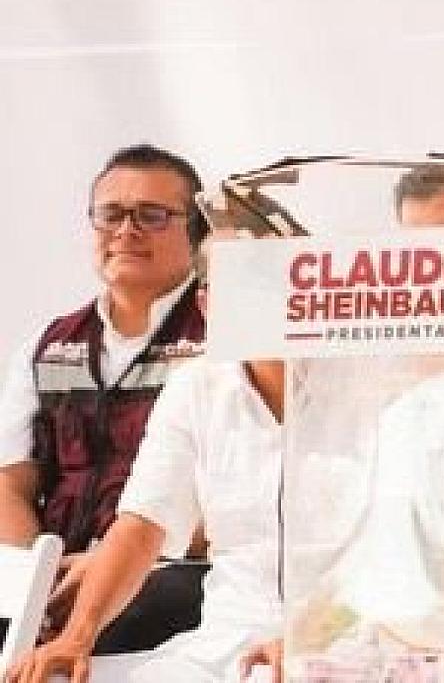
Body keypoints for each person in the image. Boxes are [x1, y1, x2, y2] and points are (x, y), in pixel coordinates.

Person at [0, 144, 209, 654]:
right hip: (51, 567)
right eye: (111, 214)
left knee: (136, 610)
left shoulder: (225, 340)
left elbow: (248, 492)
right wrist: (35, 574)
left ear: (197, 232)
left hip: (169, 569)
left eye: (152, 215)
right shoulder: (48, 345)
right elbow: (9, 485)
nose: (126, 230)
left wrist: (108, 568)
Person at [4, 347, 286, 683]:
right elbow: (141, 524)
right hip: (219, 645)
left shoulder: (348, 382)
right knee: (49, 679)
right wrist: (75, 639)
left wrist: (314, 641)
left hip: (329, 647)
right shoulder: (195, 383)